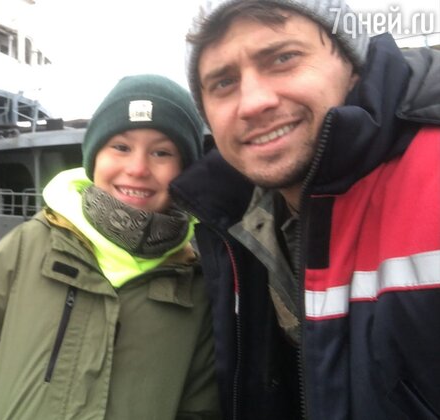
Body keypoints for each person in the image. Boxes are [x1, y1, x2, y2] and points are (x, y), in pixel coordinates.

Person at [169, 0, 440, 419]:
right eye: (223, 82)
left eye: (283, 58)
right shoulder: (231, 230)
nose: (253, 102)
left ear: (353, 65)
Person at [0, 74, 221, 420]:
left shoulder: (196, 288)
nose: (137, 168)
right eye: (120, 147)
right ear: (94, 157)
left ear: (184, 171)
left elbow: (200, 409)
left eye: (161, 152)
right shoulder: (29, 245)